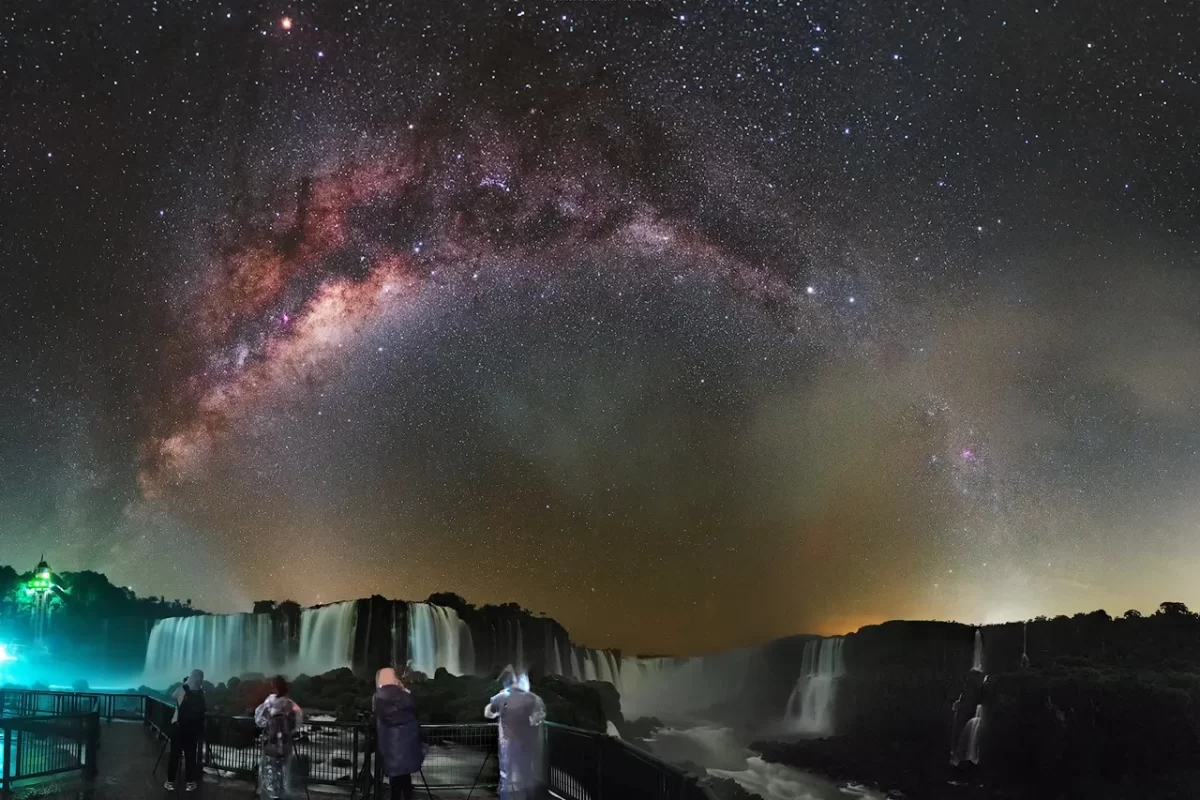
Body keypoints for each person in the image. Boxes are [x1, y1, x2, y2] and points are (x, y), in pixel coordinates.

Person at [484, 666, 547, 800]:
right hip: (528, 741)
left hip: (507, 741)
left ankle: (507, 797)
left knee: (506, 773)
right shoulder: (533, 698)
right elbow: (538, 718)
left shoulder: (501, 697)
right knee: (527, 772)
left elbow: (488, 713)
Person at [374, 666, 425, 800]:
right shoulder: (405, 697)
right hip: (407, 748)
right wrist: (403, 689)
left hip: (390, 749)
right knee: (405, 780)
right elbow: (414, 709)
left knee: (395, 783)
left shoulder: (379, 699)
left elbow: (379, 716)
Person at [254, 675, 304, 800]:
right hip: (284, 742)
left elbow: (260, 719)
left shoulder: (270, 702)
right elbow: (298, 719)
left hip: (272, 741)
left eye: (273, 686)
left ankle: (273, 793)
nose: (272, 689)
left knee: (271, 768)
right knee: (282, 769)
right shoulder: (289, 703)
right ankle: (280, 792)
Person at [165, 669, 206, 792]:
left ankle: (170, 782)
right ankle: (189, 783)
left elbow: (172, 696)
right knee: (190, 757)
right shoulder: (201, 692)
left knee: (174, 756)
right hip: (193, 730)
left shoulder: (182, 689)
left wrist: (184, 683)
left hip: (178, 727)